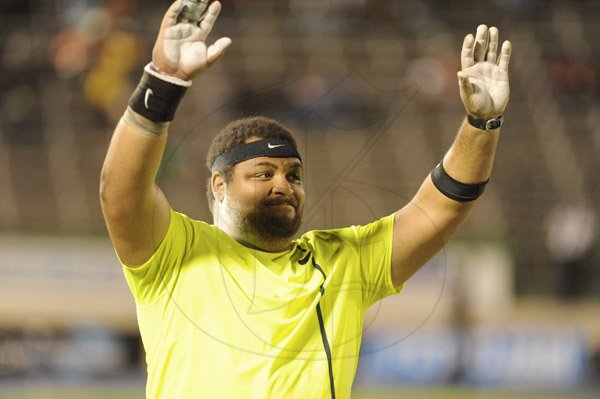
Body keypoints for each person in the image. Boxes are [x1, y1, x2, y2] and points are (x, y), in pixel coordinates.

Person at [99, 1, 511, 397]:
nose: (283, 184)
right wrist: (164, 81)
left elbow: (442, 206)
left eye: (293, 174)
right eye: (263, 173)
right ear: (219, 186)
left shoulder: (341, 261)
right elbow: (119, 192)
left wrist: (482, 123)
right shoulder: (176, 253)